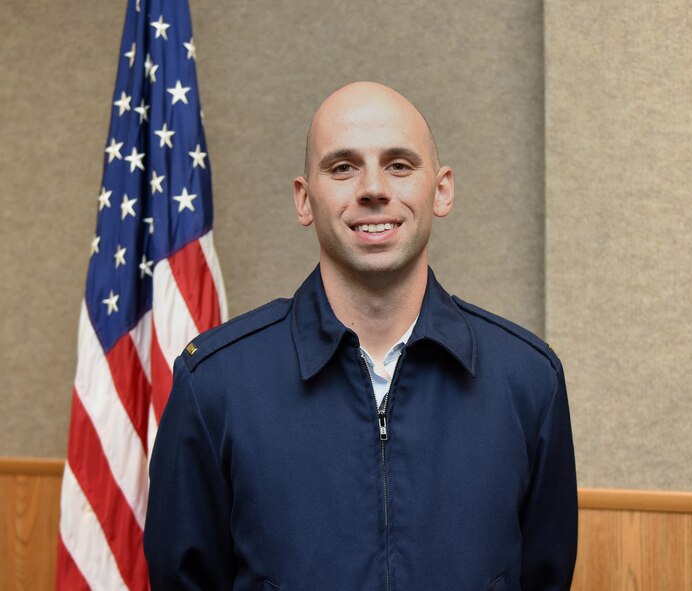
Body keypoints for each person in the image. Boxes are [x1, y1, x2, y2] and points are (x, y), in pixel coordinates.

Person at [144, 81, 577, 590]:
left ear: (441, 190)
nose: (373, 188)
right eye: (343, 167)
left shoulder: (527, 381)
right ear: (304, 200)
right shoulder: (214, 385)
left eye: (399, 165)